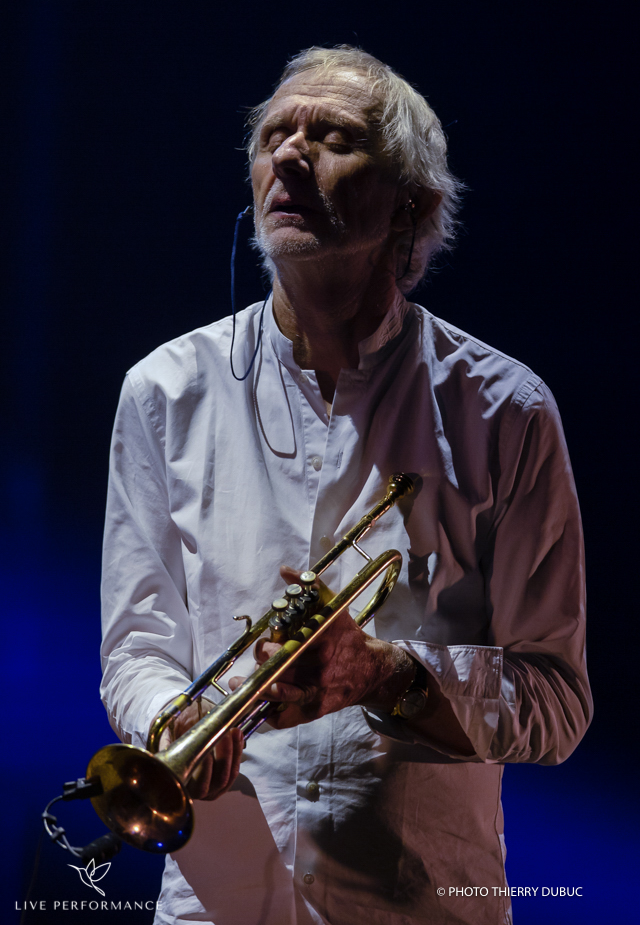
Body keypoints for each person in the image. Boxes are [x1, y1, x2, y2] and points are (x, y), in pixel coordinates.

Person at [100, 46, 592, 925]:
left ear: (413, 204)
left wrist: (390, 677)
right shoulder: (163, 391)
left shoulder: (506, 412)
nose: (290, 155)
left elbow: (557, 701)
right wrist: (167, 718)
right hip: (216, 906)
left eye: (333, 138)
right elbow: (137, 644)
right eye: (273, 136)